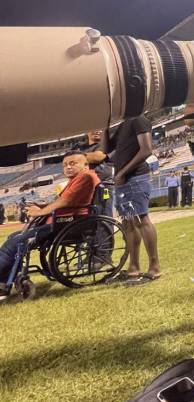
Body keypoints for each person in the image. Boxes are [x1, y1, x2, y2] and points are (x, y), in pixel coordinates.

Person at [0, 152, 99, 299]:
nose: (68, 167)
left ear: (85, 165)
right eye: (65, 165)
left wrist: (39, 212)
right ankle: (6, 281)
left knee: (15, 242)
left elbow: (65, 201)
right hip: (63, 222)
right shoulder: (77, 179)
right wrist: (41, 206)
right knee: (14, 237)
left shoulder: (85, 177)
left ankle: (3, 283)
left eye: (73, 163)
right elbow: (64, 201)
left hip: (65, 224)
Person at [101, 115, 161, 283]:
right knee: (128, 222)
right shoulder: (123, 125)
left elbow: (146, 149)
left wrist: (122, 172)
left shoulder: (138, 119)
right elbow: (105, 149)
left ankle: (155, 266)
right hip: (123, 180)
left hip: (135, 178)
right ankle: (134, 267)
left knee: (141, 220)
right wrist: (104, 126)